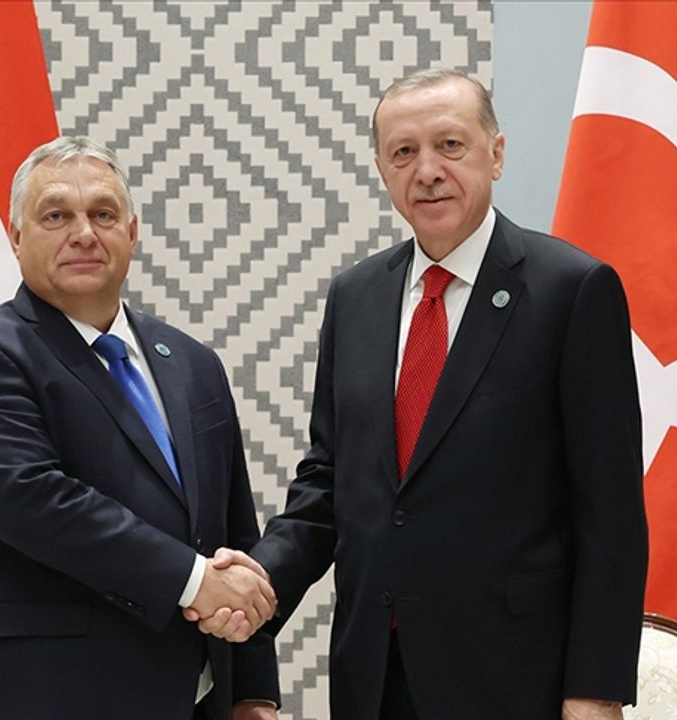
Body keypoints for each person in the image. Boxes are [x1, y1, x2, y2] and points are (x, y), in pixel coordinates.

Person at [196, 69, 649, 719]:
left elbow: (611, 514)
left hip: (515, 677)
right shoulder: (356, 298)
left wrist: (595, 688)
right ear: (382, 170)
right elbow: (329, 482)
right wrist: (261, 581)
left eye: (450, 145)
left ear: (496, 154)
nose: (428, 171)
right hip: (373, 676)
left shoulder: (570, 291)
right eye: (404, 152)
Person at [0, 136, 280, 720]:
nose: (83, 233)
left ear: (132, 232)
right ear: (16, 237)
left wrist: (253, 691)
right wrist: (195, 581)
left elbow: (232, 531)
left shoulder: (193, 363)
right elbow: (40, 504)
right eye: (56, 216)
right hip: (35, 700)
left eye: (103, 214)